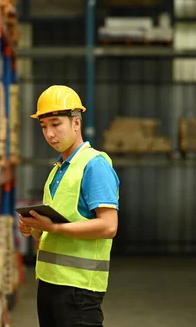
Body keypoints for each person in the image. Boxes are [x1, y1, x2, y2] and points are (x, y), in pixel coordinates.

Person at [18, 85, 120, 327]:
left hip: (79, 290)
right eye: (43, 127)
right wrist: (33, 228)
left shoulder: (94, 165)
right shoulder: (57, 170)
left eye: (56, 124)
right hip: (49, 284)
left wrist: (53, 228)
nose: (49, 134)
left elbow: (108, 226)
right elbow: (52, 227)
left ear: (76, 123)